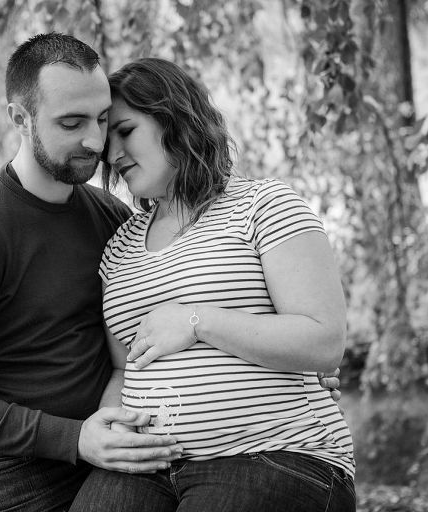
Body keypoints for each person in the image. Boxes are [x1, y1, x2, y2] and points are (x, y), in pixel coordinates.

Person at [0, 33, 342, 512]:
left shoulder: (111, 221)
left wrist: (292, 364)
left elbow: (165, 321)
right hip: (20, 469)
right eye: (73, 123)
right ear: (20, 119)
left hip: (124, 453)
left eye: (106, 122)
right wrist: (76, 439)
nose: (98, 145)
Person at [69, 58, 356, 511]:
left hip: (273, 452)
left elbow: (323, 341)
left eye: (126, 131)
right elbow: (126, 367)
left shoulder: (265, 206)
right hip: (149, 468)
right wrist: (114, 428)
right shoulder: (119, 246)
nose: (113, 153)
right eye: (109, 143)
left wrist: (197, 321)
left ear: (174, 117)